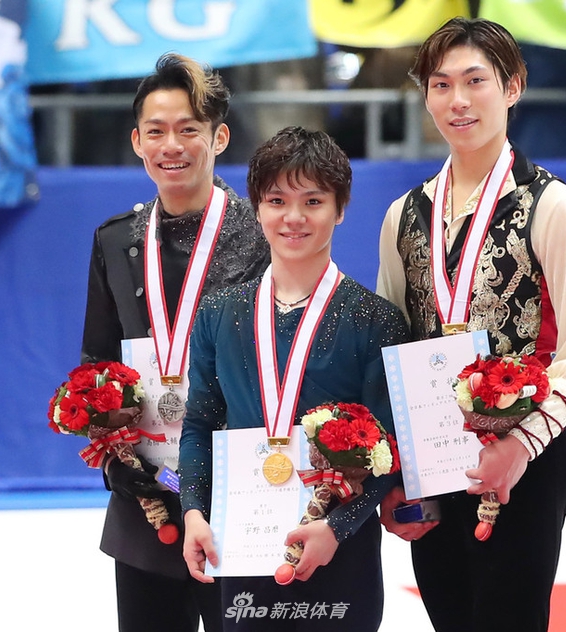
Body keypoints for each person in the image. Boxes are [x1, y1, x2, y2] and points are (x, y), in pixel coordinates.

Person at [376, 17, 566, 632]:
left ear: (513, 86)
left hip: (524, 463)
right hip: (432, 466)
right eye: (440, 84)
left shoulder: (556, 208)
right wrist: (395, 468)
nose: (457, 101)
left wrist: (520, 444)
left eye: (475, 81)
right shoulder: (404, 216)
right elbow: (394, 348)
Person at [179, 126, 409, 631]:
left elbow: (390, 448)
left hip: (340, 551)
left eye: (314, 200)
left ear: (340, 208)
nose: (294, 217)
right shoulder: (219, 312)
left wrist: (338, 527)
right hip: (242, 542)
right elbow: (200, 424)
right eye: (278, 199)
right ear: (258, 206)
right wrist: (194, 512)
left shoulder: (376, 321)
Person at [80, 53, 270, 632]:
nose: (173, 145)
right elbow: (96, 363)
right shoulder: (116, 241)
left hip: (241, 493)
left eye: (189, 129)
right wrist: (116, 463)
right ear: (137, 142)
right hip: (149, 499)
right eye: (157, 131)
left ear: (220, 136)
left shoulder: (265, 233)